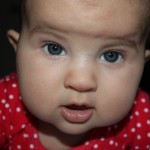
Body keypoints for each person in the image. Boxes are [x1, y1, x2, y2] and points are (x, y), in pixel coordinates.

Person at [0, 0, 150, 149]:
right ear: (17, 48)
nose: (81, 82)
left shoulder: (142, 120)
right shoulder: (4, 104)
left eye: (111, 55)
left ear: (142, 65)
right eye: (54, 48)